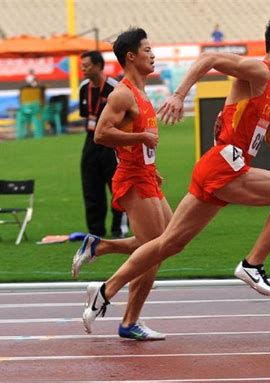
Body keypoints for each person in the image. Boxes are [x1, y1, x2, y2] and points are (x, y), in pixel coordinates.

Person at [81, 17, 270, 333]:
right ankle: (252, 265)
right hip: (227, 166)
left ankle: (104, 291)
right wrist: (179, 94)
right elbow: (209, 59)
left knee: (168, 243)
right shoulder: (258, 72)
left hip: (216, 169)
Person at [74, 29, 172, 340]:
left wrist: (152, 165)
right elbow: (101, 133)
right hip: (131, 178)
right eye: (147, 49)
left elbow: (142, 144)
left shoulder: (143, 95)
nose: (152, 54)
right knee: (154, 248)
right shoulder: (123, 94)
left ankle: (99, 247)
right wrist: (140, 137)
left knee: (168, 240)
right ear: (131, 56)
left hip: (147, 175)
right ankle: (115, 304)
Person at [79, 51, 124, 239]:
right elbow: (86, 114)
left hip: (111, 143)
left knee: (116, 187)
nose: (83, 69)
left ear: (98, 66)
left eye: (87, 66)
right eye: (82, 66)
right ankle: (95, 231)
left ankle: (118, 229)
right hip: (91, 142)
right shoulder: (83, 88)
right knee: (91, 187)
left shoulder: (114, 87)